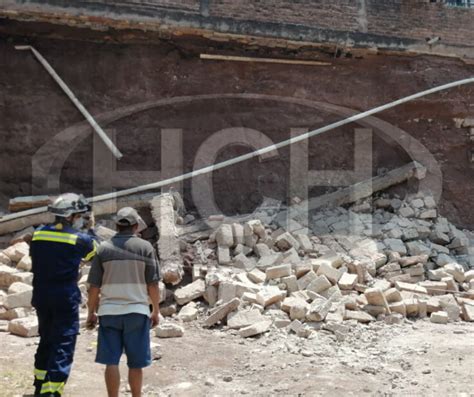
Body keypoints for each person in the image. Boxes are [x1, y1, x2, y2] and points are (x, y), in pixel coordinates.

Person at [86, 207, 160, 397]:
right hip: (137, 312)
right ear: (136, 226)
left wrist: (91, 313)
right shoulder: (145, 248)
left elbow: (94, 287)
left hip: (109, 313)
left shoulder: (103, 249)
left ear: (116, 226)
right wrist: (156, 311)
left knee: (111, 361)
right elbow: (153, 284)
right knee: (136, 363)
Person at [30, 193, 97, 396]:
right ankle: (51, 391)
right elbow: (95, 253)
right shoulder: (79, 239)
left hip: (41, 295)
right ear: (70, 216)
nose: (81, 219)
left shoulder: (38, 234)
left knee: (46, 338)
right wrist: (91, 228)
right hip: (64, 297)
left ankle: (39, 385)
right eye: (79, 215)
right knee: (63, 341)